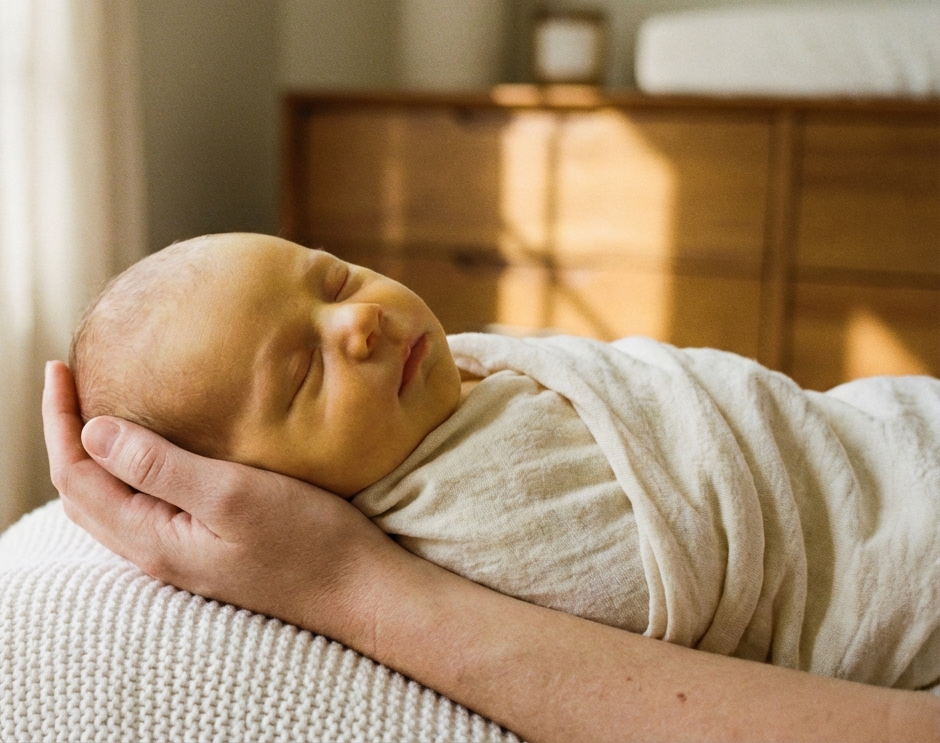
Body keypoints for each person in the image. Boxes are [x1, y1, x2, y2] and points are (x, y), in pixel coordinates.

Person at [66, 232, 940, 690]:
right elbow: (645, 588)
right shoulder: (461, 512)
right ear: (254, 488)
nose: (358, 322)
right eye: (302, 373)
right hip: (889, 547)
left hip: (871, 432)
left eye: (332, 280)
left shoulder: (456, 376)